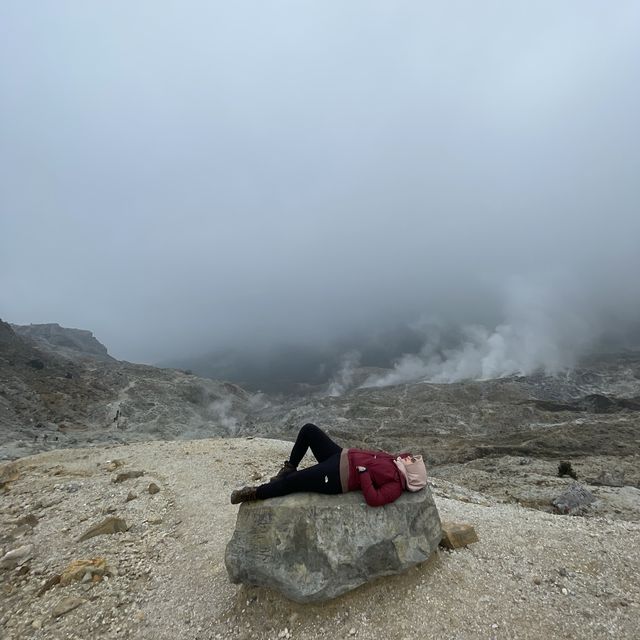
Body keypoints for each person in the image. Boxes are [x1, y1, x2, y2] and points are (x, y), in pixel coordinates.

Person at [230, 423, 427, 507]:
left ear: (411, 473)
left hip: (337, 477)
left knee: (294, 482)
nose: (410, 457)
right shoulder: (397, 462)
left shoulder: (395, 486)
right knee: (309, 430)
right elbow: (405, 455)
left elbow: (374, 499)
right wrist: (403, 458)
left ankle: (254, 493)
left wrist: (364, 473)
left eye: (413, 461)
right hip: (340, 455)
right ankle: (289, 466)